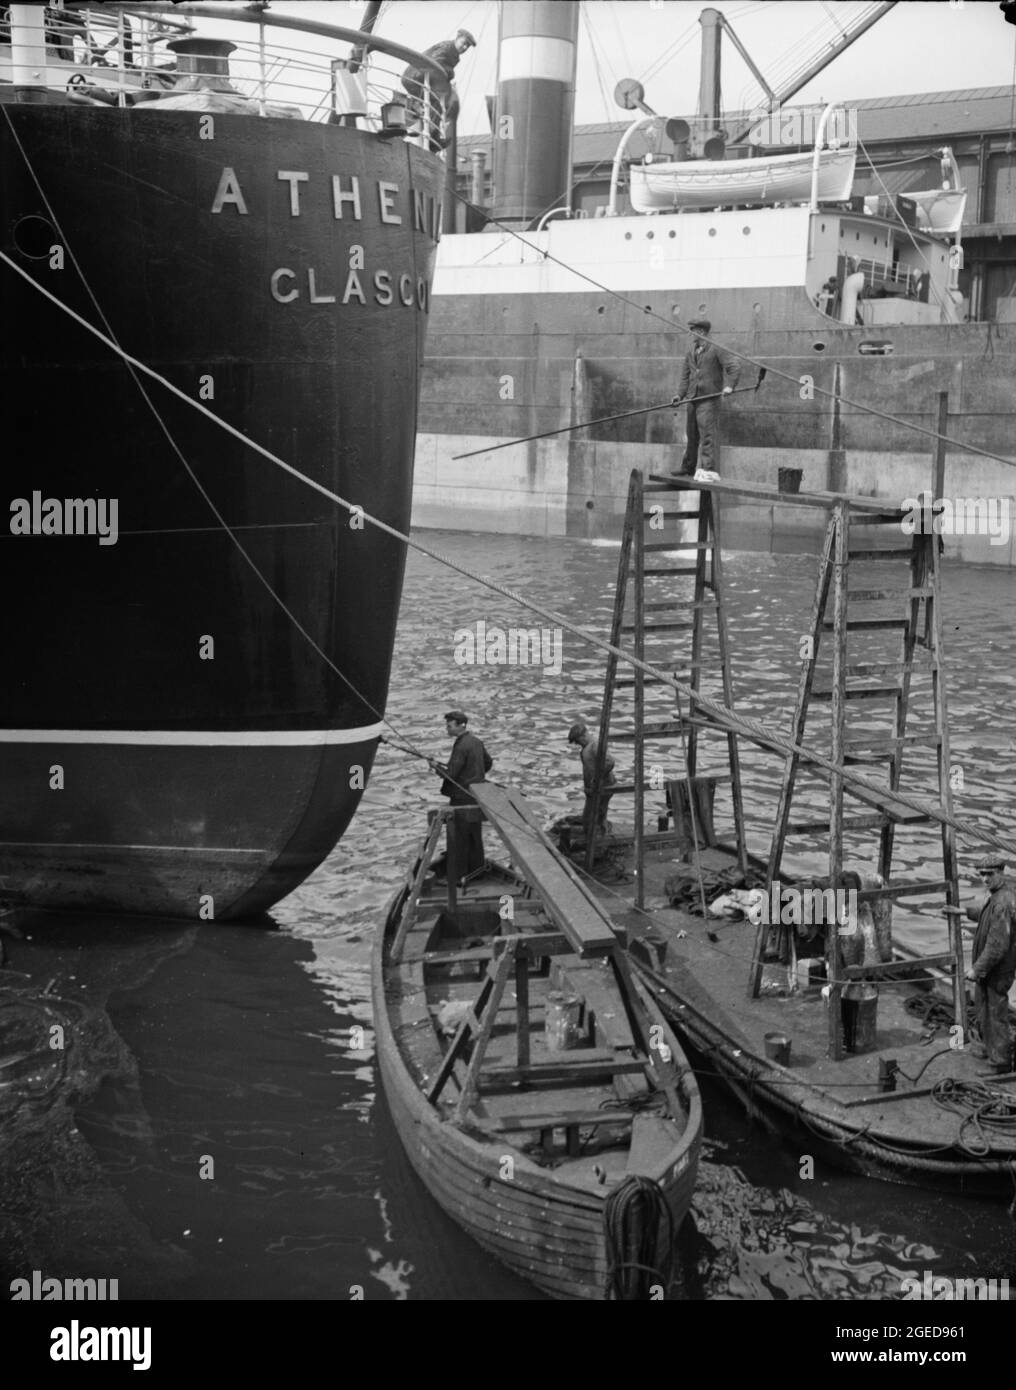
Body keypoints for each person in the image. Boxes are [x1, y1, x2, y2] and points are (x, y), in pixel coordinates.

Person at [964, 853, 1016, 1074]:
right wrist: (964, 912)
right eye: (982, 875)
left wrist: (977, 969)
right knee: (984, 1009)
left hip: (998, 971)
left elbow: (997, 946)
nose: (985, 879)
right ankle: (989, 1048)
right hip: (990, 970)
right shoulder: (997, 896)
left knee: (995, 1014)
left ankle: (1000, 1062)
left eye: (989, 874)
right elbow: (987, 916)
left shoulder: (1002, 902)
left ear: (1001, 873)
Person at [670, 319, 740, 478]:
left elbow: (734, 367)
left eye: (692, 330)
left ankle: (708, 469)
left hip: (709, 399)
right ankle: (688, 467)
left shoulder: (716, 349)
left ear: (701, 332)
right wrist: (679, 395)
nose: (690, 333)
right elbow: (684, 378)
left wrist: (729, 386)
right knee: (692, 435)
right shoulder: (690, 352)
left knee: (707, 436)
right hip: (692, 399)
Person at [432, 709, 491, 880]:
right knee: (474, 835)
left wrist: (435, 767)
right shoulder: (476, 742)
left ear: (460, 726)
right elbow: (488, 762)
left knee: (458, 836)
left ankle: (459, 876)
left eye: (449, 726)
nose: (447, 729)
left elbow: (450, 774)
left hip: (461, 797)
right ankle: (477, 870)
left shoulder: (461, 745)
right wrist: (475, 774)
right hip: (476, 794)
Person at [401, 28, 475, 149]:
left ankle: (427, 134)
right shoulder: (447, 47)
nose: (465, 47)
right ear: (457, 39)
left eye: (467, 46)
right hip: (415, 77)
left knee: (432, 104)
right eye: (464, 43)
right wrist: (451, 73)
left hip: (420, 78)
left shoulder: (454, 54)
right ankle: (431, 136)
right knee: (436, 103)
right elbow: (436, 62)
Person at [567, 721, 616, 838]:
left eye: (578, 741)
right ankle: (599, 836)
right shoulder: (587, 748)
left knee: (594, 816)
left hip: (604, 786)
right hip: (594, 789)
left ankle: (599, 840)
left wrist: (597, 778)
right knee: (594, 815)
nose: (578, 744)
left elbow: (610, 762)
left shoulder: (594, 745)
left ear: (583, 736)